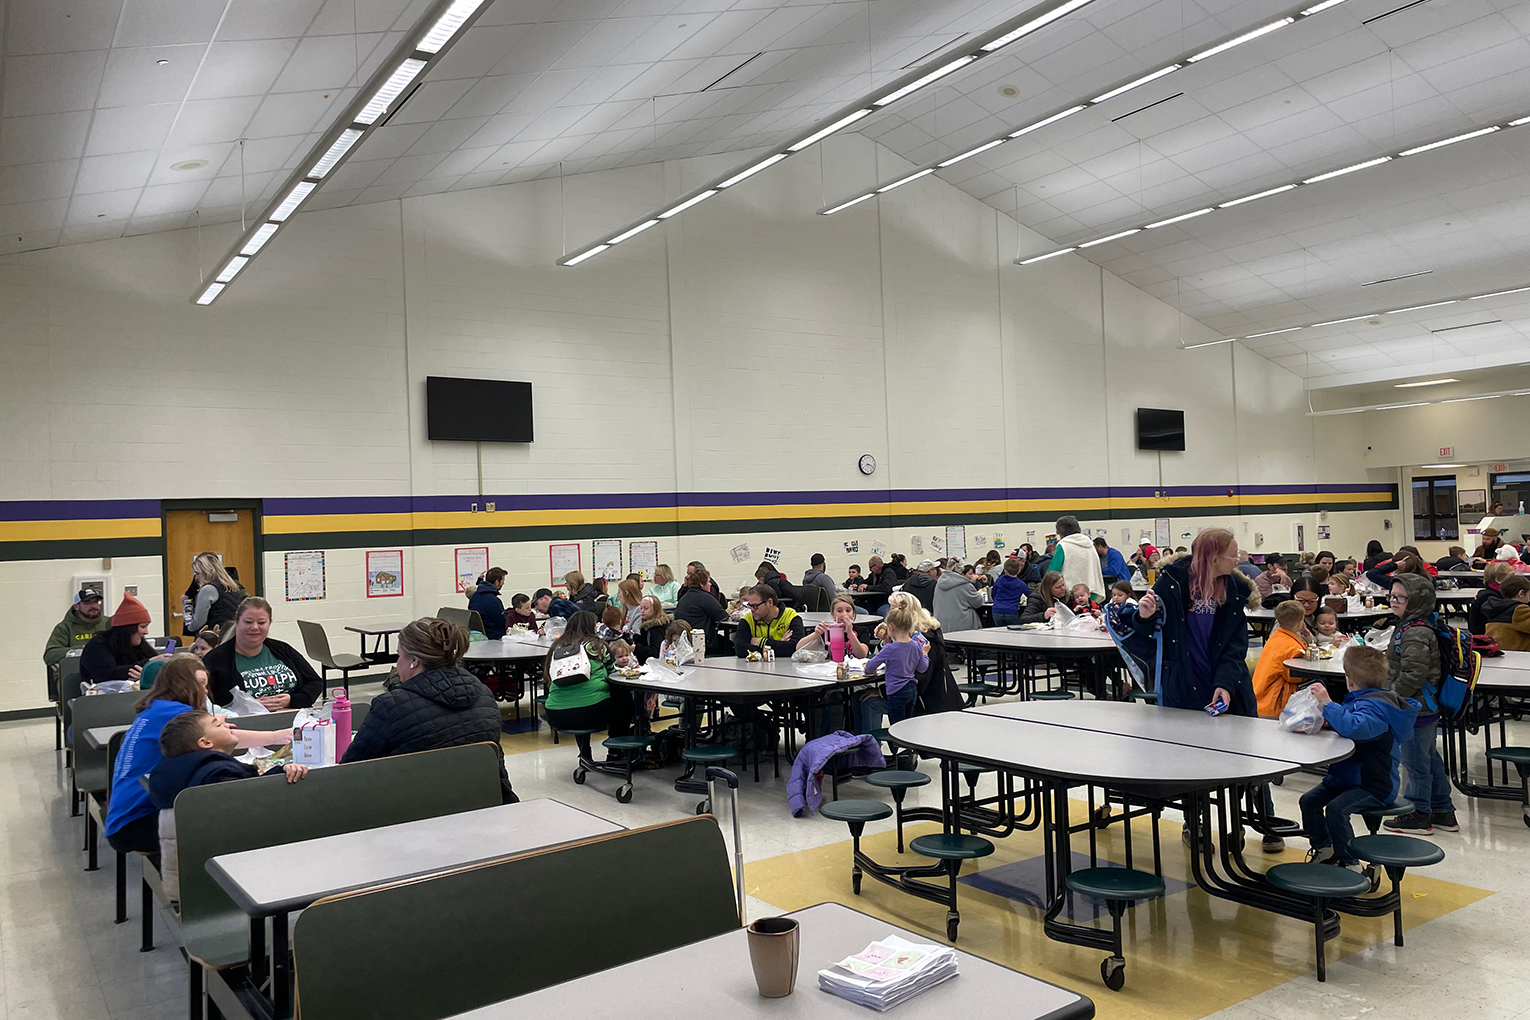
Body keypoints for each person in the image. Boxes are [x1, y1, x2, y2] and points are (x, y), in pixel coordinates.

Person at [103, 655, 288, 855]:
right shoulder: (176, 713)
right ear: (184, 685)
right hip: (138, 821)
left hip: (125, 817)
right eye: (201, 684)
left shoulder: (155, 708)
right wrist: (275, 736)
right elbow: (223, 738)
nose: (205, 692)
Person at [341, 617, 517, 801]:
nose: (397, 663)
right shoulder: (485, 696)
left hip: (413, 811)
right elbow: (495, 764)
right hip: (479, 803)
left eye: (398, 655)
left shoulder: (390, 707)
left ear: (414, 661)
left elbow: (350, 770)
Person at [1301, 645, 1419, 870]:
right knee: (1309, 801)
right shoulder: (1363, 700)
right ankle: (1324, 848)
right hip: (1346, 778)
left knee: (1336, 810)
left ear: (1350, 680)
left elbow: (1356, 727)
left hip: (1373, 785)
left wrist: (1327, 704)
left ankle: (1350, 863)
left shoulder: (1376, 706)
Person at [1133, 530, 1258, 716]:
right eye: (1233, 556)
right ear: (1214, 559)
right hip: (1182, 683)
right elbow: (1147, 636)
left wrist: (1225, 682)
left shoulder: (1235, 590)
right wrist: (1145, 616)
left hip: (1223, 682)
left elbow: (1236, 646)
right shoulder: (1171, 583)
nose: (1237, 562)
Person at [1380, 573, 1458, 835]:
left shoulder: (1414, 633)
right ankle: (1443, 810)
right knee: (1430, 759)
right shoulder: (1419, 625)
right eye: (1392, 595)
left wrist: (1390, 696)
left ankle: (1418, 812)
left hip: (1415, 706)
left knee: (1415, 763)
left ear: (1416, 601)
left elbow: (1414, 674)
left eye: (1401, 597)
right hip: (1426, 705)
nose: (1394, 601)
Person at [541, 611, 634, 764]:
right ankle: (615, 752)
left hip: (555, 714)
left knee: (577, 697)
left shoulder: (556, 648)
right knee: (623, 700)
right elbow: (613, 675)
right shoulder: (597, 646)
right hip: (592, 713)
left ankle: (585, 753)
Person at [204, 597, 323, 710]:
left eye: (261, 622)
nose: (255, 627)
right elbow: (207, 701)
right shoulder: (215, 659)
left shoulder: (282, 649)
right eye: (248, 622)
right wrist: (250, 706)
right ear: (237, 622)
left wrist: (292, 700)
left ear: (269, 624)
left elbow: (315, 682)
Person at [852, 605, 929, 733]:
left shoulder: (890, 649)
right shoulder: (916, 645)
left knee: (896, 728)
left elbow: (869, 668)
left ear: (891, 627)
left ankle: (895, 748)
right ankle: (908, 749)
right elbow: (922, 668)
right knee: (907, 723)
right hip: (911, 689)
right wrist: (925, 654)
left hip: (896, 691)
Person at [80, 594, 159, 685]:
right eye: (143, 627)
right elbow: (106, 674)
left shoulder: (139, 644)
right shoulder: (97, 646)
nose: (146, 632)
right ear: (129, 629)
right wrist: (147, 666)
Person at [44, 588, 111, 694]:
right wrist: (81, 650)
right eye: (87, 603)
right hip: (74, 674)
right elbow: (50, 655)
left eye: (96, 602)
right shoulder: (65, 628)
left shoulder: (109, 623)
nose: (93, 606)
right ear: (76, 606)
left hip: (106, 671)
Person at [1253, 601, 1312, 718]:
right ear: (1300, 622)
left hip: (1259, 695)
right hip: (1275, 702)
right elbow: (1293, 676)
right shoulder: (1293, 647)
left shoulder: (1276, 637)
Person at [182, 552, 246, 637]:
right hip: (235, 636)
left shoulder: (208, 590)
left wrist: (188, 626)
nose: (196, 578)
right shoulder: (237, 587)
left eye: (197, 573)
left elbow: (198, 622)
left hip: (214, 638)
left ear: (206, 572)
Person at [734, 585, 804, 658]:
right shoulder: (747, 619)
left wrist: (761, 642)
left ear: (769, 602)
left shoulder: (791, 617)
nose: (752, 609)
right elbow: (740, 649)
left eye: (755, 606)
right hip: (756, 667)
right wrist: (780, 644)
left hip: (786, 667)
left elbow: (795, 648)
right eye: (750, 606)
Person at [1047, 516, 1105, 598]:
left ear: (1059, 532)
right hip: (1091, 592)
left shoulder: (1063, 545)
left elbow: (1052, 572)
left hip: (1071, 594)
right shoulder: (1090, 544)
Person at [673, 567, 728, 653]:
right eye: (708, 582)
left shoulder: (685, 597)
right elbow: (723, 616)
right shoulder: (705, 598)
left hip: (684, 641)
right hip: (701, 643)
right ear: (702, 584)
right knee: (730, 646)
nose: (710, 584)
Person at [801, 593, 868, 658]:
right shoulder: (828, 631)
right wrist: (816, 634)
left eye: (848, 611)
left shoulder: (861, 630)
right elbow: (799, 647)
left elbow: (862, 655)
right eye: (839, 611)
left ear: (853, 613)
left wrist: (850, 632)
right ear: (833, 614)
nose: (844, 614)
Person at [933, 559, 986, 633]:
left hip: (941, 624)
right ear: (961, 570)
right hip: (962, 625)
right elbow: (978, 603)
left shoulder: (939, 583)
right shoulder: (965, 585)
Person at [1484, 575, 1530, 650]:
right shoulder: (1519, 610)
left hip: (1496, 650)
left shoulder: (1494, 607)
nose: (1529, 600)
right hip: (1518, 653)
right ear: (1521, 593)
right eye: (1529, 596)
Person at [1469, 561, 1514, 634]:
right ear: (1498, 580)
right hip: (1485, 636)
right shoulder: (1488, 597)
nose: (1514, 579)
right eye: (1511, 576)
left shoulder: (1493, 593)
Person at [467, 567, 509, 639]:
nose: (503, 583)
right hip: (494, 636)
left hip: (479, 635)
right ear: (497, 582)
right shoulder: (494, 601)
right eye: (502, 581)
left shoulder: (475, 596)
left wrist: (479, 580)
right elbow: (503, 623)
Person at [991, 557, 1031, 626]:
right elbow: (1030, 595)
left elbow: (993, 593)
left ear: (1005, 570)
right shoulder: (1020, 583)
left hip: (997, 610)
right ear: (1019, 570)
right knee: (1014, 633)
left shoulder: (999, 580)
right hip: (1011, 610)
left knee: (1000, 632)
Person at [632, 595, 673, 662]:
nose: (642, 611)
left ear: (655, 609)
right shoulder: (647, 626)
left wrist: (636, 648)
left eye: (646, 608)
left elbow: (655, 652)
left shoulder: (657, 628)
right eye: (641, 608)